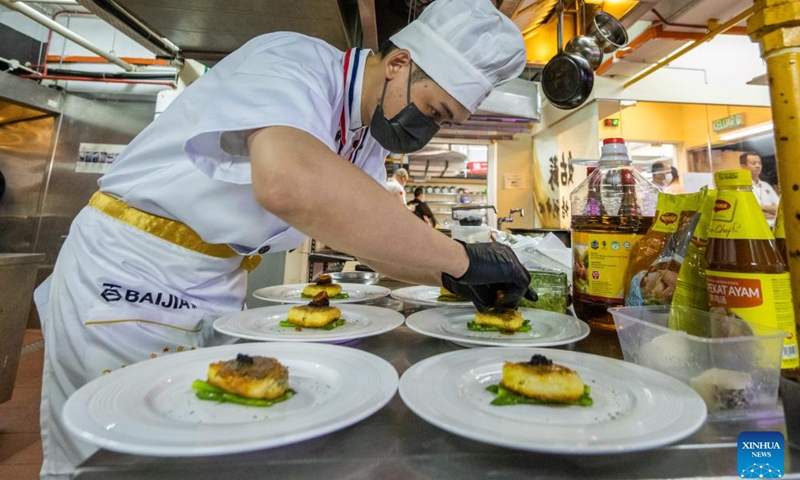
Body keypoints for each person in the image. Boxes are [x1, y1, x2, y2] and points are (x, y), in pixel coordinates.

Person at [32, 0, 535, 478]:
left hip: (217, 280)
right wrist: (463, 259)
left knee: (196, 436)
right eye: (433, 109)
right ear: (400, 62)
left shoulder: (365, 140)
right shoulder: (292, 60)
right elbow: (288, 183)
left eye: (443, 123)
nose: (426, 131)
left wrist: (458, 279)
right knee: (122, 451)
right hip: (132, 265)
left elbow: (377, 236)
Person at [740, 152, 779, 219]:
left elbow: (778, 208)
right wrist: (770, 209)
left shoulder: (766, 186)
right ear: (743, 167)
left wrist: (760, 207)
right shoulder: (740, 188)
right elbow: (747, 212)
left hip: (773, 227)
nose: (758, 166)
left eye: (760, 163)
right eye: (753, 163)